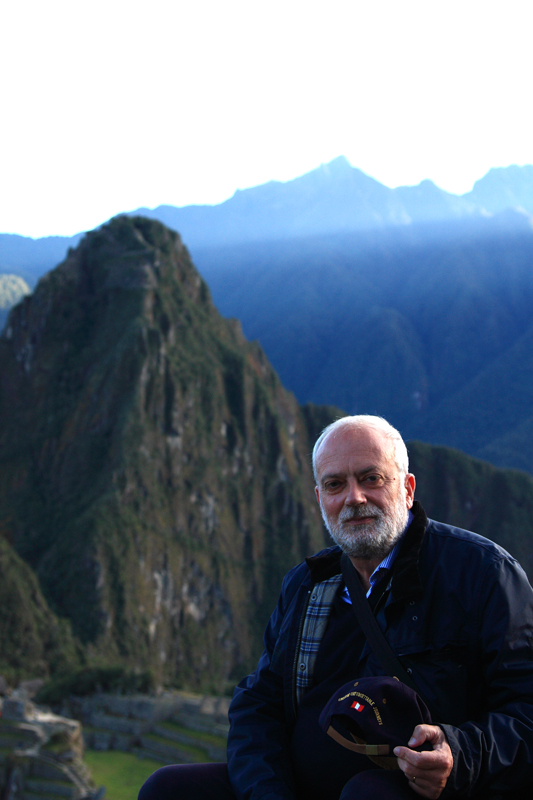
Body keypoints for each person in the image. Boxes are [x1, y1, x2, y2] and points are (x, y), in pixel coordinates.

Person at [138, 415, 533, 800]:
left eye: (371, 478)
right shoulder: (307, 585)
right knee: (167, 789)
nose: (353, 498)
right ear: (319, 498)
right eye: (335, 484)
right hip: (297, 784)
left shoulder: (481, 574)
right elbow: (259, 704)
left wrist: (459, 755)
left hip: (418, 787)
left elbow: (526, 711)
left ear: (408, 489)